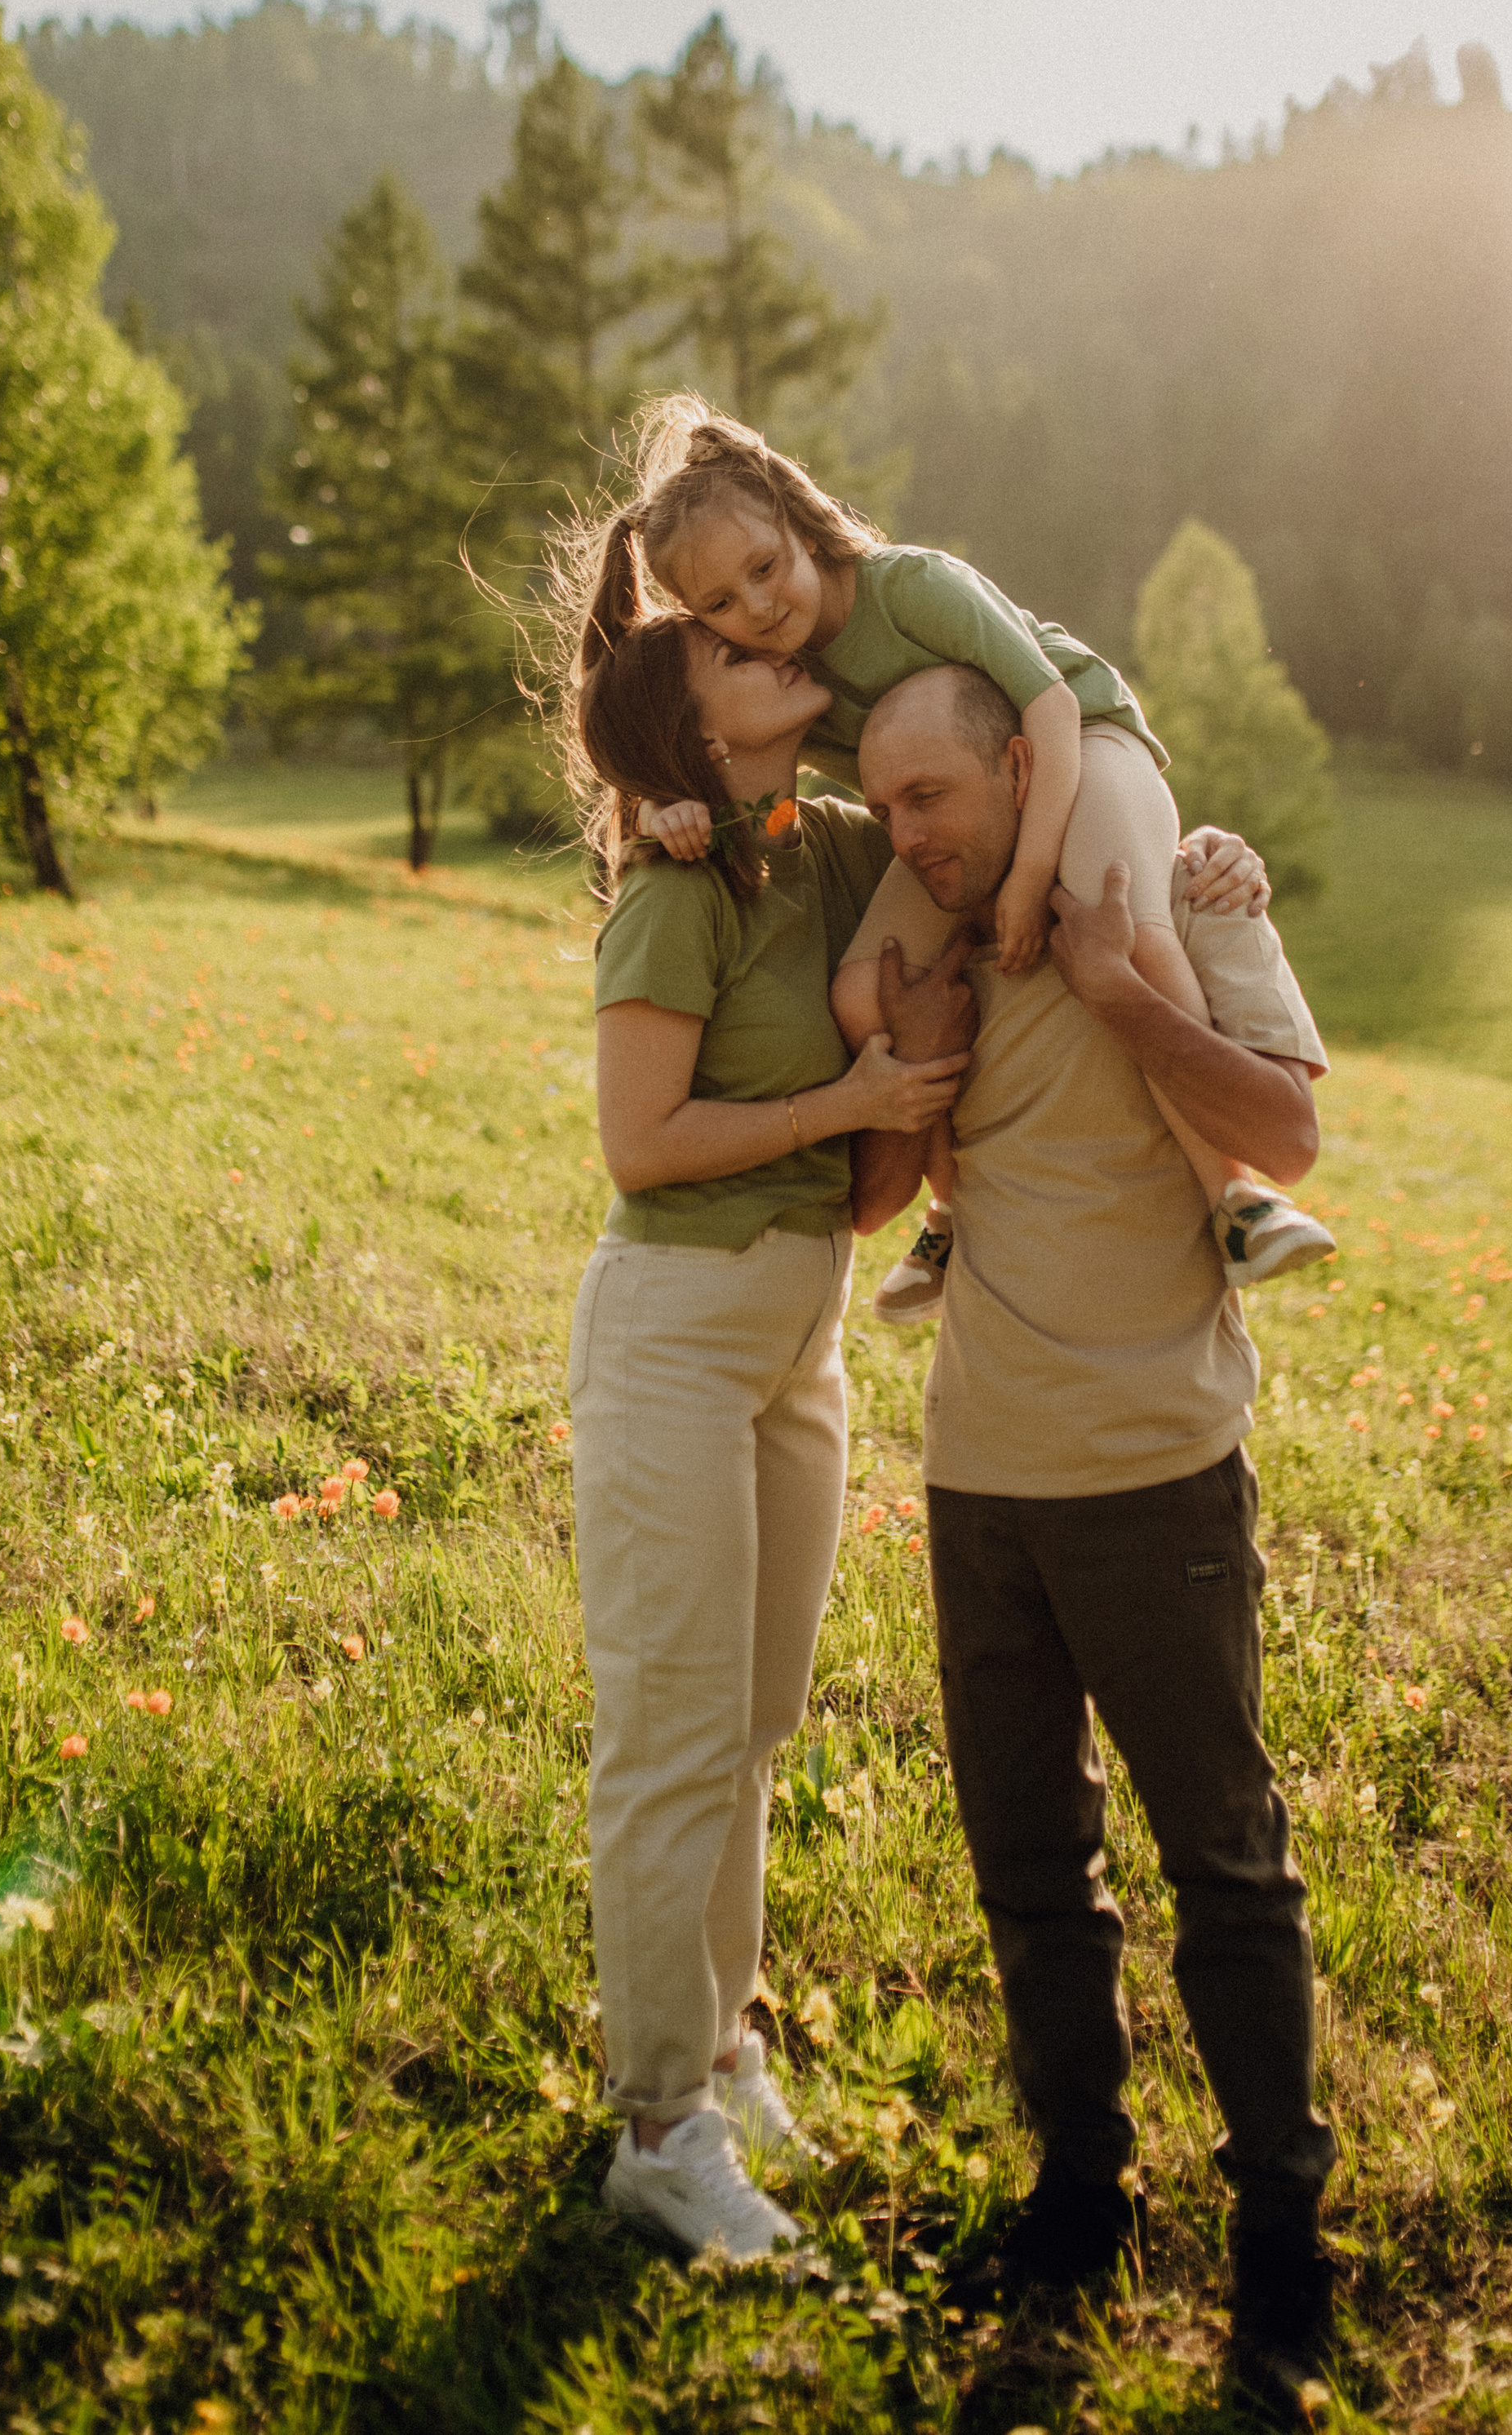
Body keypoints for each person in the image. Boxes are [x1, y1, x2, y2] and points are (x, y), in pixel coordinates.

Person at [849, 662, 1340, 2414]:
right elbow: (874, 1203)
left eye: (933, 799)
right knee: (1025, 1869)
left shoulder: (1168, 892)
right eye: (884, 805)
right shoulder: (931, 937)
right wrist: (905, 1075)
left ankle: (1282, 2234)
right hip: (978, 1479)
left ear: (1019, 767)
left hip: (1151, 1479)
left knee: (1221, 1862)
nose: (908, 834)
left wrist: (1129, 997)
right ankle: (1079, 2191)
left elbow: (1285, 1131)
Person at [555, 521, 972, 2264]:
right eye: (731, 649)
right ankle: (657, 2131)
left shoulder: (829, 843)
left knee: (755, 1725)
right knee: (665, 1745)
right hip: (671, 1331)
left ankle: (720, 2044)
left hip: (797, 1337)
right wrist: (842, 1104)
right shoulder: (672, 889)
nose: (770, 638)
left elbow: (967, 794)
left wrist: (1202, 865)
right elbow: (639, 1147)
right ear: (689, 720)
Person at [618, 396, 1333, 1326]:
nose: (756, 607)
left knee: (1130, 933)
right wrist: (658, 808)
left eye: (765, 568)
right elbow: (720, 769)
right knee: (860, 994)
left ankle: (1233, 1197)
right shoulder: (788, 676)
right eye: (720, 603)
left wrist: (1032, 883)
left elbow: (1052, 711)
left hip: (1087, 745)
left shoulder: (907, 588)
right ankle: (949, 1212)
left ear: (798, 524)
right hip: (967, 802)